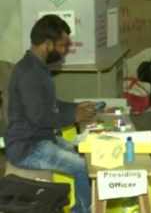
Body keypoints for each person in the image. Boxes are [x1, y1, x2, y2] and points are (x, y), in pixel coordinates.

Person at [5, 15, 96, 213]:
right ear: (47, 44)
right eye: (63, 46)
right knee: (82, 167)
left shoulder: (37, 67)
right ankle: (82, 210)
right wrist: (74, 117)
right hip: (26, 148)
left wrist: (76, 108)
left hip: (40, 139)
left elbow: (50, 106)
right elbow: (39, 117)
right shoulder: (29, 73)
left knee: (83, 152)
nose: (64, 52)